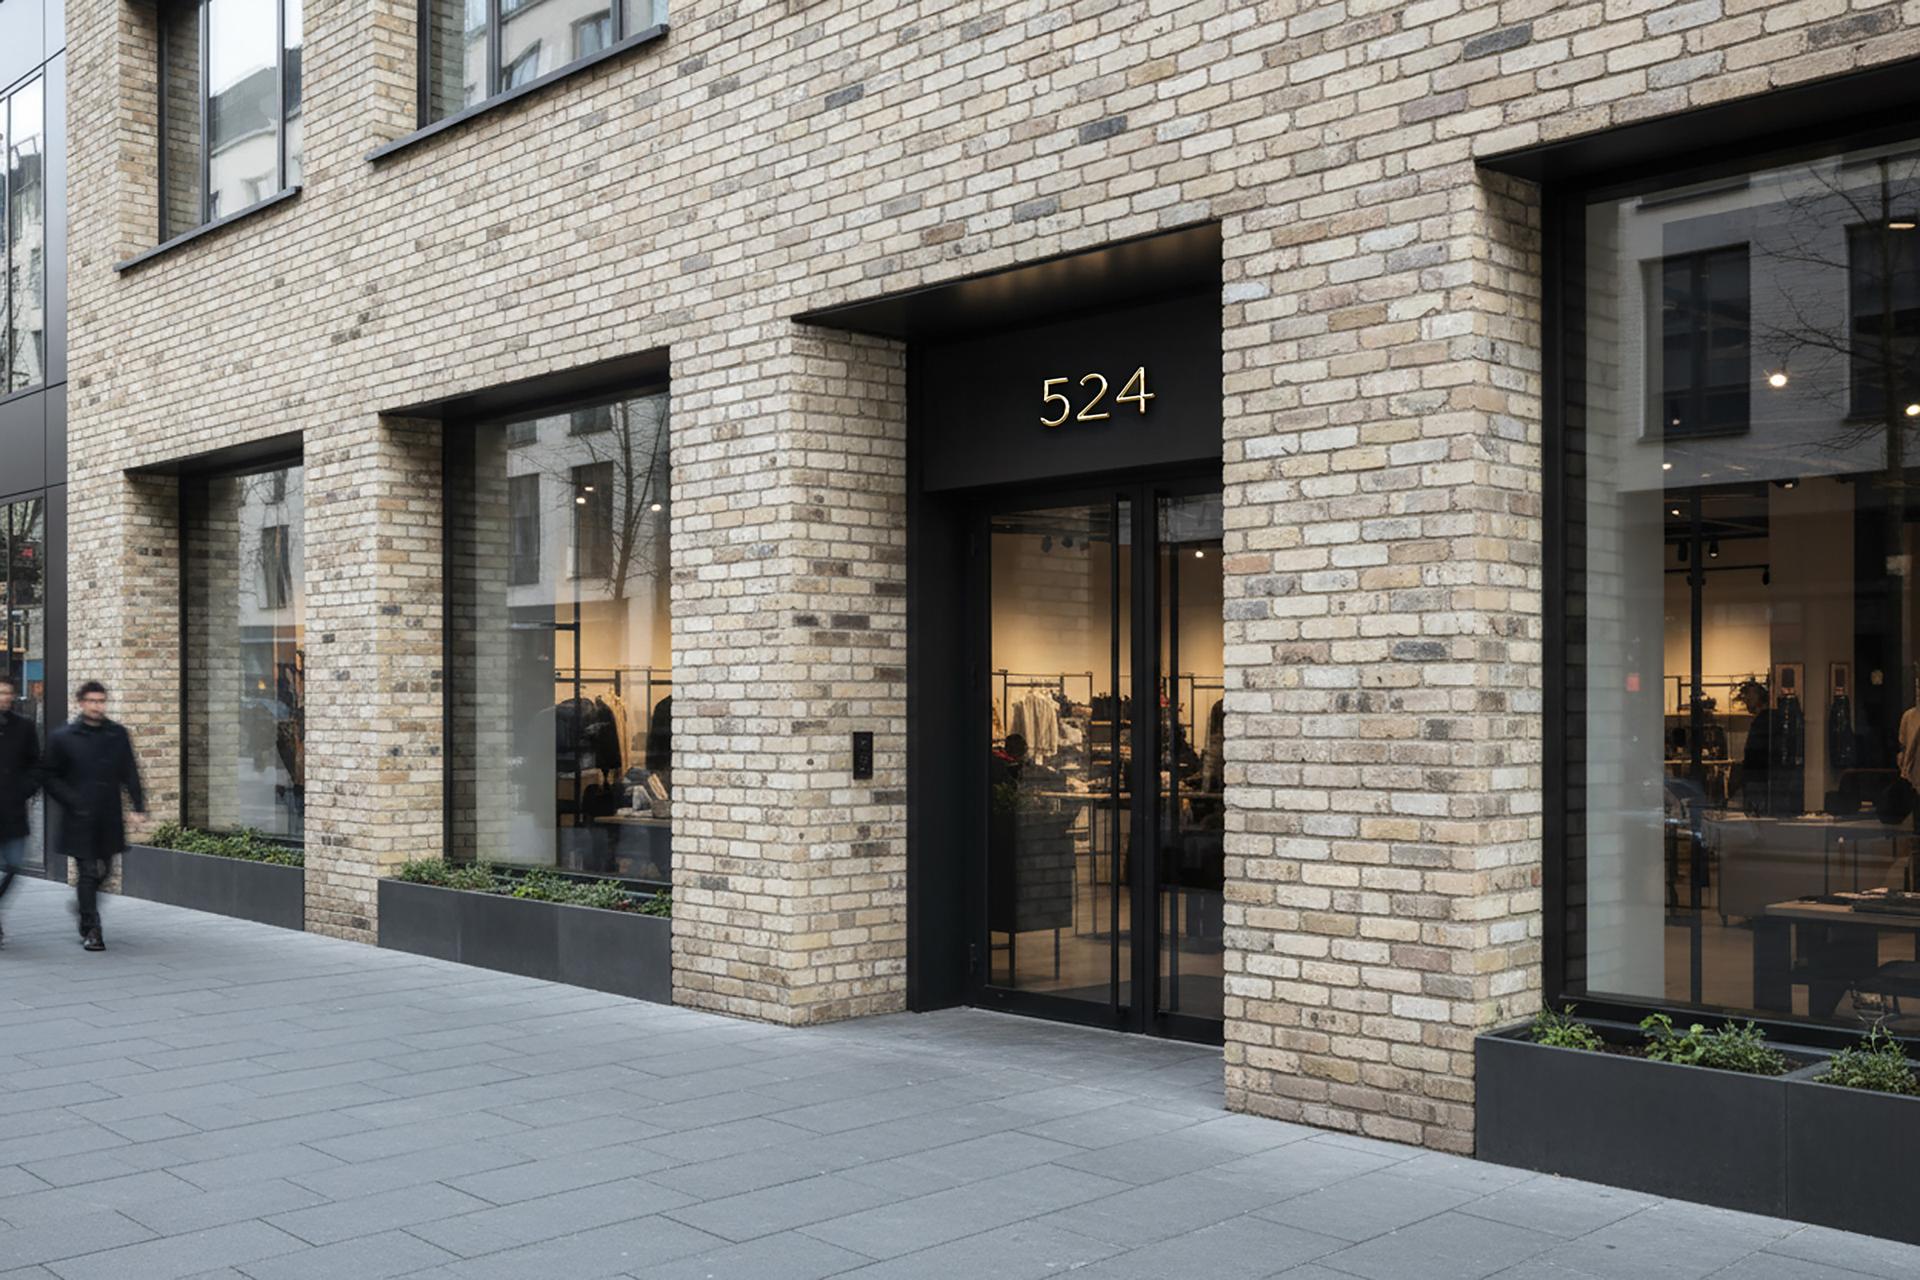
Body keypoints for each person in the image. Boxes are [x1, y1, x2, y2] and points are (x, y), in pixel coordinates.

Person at [43, 682, 145, 951]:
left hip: (108, 815)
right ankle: (92, 929)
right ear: (81, 703)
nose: (97, 706)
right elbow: (49, 776)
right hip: (79, 817)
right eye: (91, 701)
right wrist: (72, 800)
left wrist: (138, 806)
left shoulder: (117, 734)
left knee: (106, 871)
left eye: (101, 701)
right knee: (88, 871)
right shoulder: (63, 737)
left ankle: (83, 904)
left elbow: (130, 771)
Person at [0, 674, 41, 945]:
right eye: (0, 693)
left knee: (14, 864)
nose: (4, 697)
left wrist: (25, 790)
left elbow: (36, 764)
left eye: (7, 693)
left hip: (13, 809)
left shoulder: (24, 727)